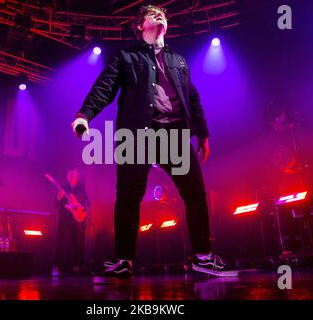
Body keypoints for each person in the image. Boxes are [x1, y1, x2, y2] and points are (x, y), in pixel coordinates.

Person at [71, 5, 237, 282]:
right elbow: (104, 87)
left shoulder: (179, 61)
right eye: (153, 14)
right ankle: (124, 260)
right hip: (137, 135)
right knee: (128, 196)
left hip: (174, 135)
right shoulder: (126, 57)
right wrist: (83, 115)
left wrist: (203, 134)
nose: (160, 16)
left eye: (163, 14)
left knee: (195, 195)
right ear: (139, 25)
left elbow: (192, 99)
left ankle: (203, 258)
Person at [52, 169, 90, 277]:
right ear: (69, 177)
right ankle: (56, 267)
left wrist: (78, 206)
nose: (76, 178)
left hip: (76, 218)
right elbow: (56, 204)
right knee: (60, 242)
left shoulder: (80, 189)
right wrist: (59, 197)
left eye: (77, 176)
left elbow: (85, 204)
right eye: (74, 176)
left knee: (76, 243)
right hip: (64, 218)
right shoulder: (63, 188)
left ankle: (76, 266)